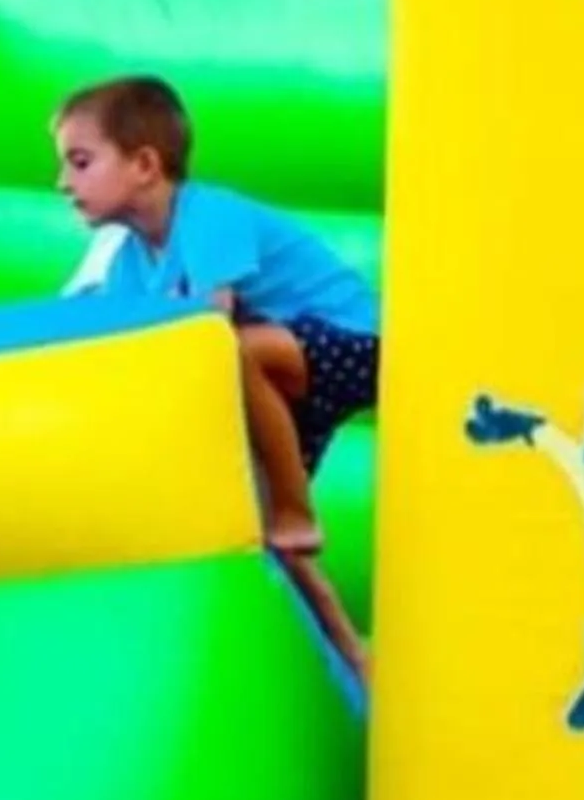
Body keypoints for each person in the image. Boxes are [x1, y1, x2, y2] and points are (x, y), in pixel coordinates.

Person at [55, 74, 377, 672]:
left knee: (223, 348)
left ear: (145, 164)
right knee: (260, 529)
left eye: (80, 163)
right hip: (277, 388)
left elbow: (207, 331)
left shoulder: (208, 216)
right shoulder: (129, 261)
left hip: (354, 346)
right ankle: (354, 657)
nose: (63, 184)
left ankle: (296, 508)